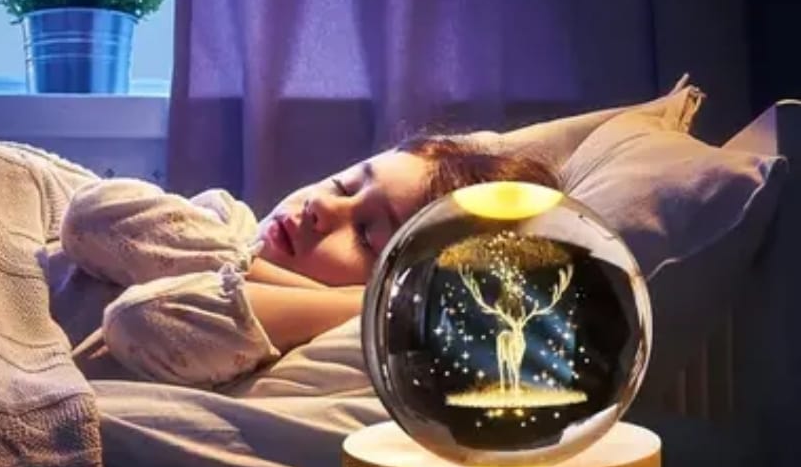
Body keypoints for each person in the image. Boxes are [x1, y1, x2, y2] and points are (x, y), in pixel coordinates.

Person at [49, 133, 559, 389]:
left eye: (365, 234)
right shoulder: (228, 220)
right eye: (345, 184)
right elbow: (92, 215)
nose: (322, 207)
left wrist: (369, 305)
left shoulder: (289, 341)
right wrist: (251, 259)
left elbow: (143, 320)